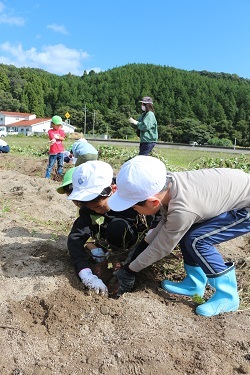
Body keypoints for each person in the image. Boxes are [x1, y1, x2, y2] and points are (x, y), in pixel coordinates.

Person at [108, 155, 250, 317]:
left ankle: (228, 296)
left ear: (153, 202)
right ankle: (195, 284)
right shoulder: (167, 185)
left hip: (246, 207)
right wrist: (140, 248)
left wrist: (129, 270)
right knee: (187, 234)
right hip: (232, 192)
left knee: (197, 240)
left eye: (134, 207)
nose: (134, 210)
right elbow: (165, 223)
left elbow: (162, 247)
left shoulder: (183, 210)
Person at [63, 160, 157, 296]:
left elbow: (154, 224)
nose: (97, 210)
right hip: (107, 241)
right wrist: (86, 275)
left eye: (100, 206)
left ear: (112, 190)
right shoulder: (87, 210)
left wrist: (128, 259)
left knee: (118, 226)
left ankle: (119, 260)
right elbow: (75, 239)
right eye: (92, 208)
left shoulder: (134, 197)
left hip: (135, 239)